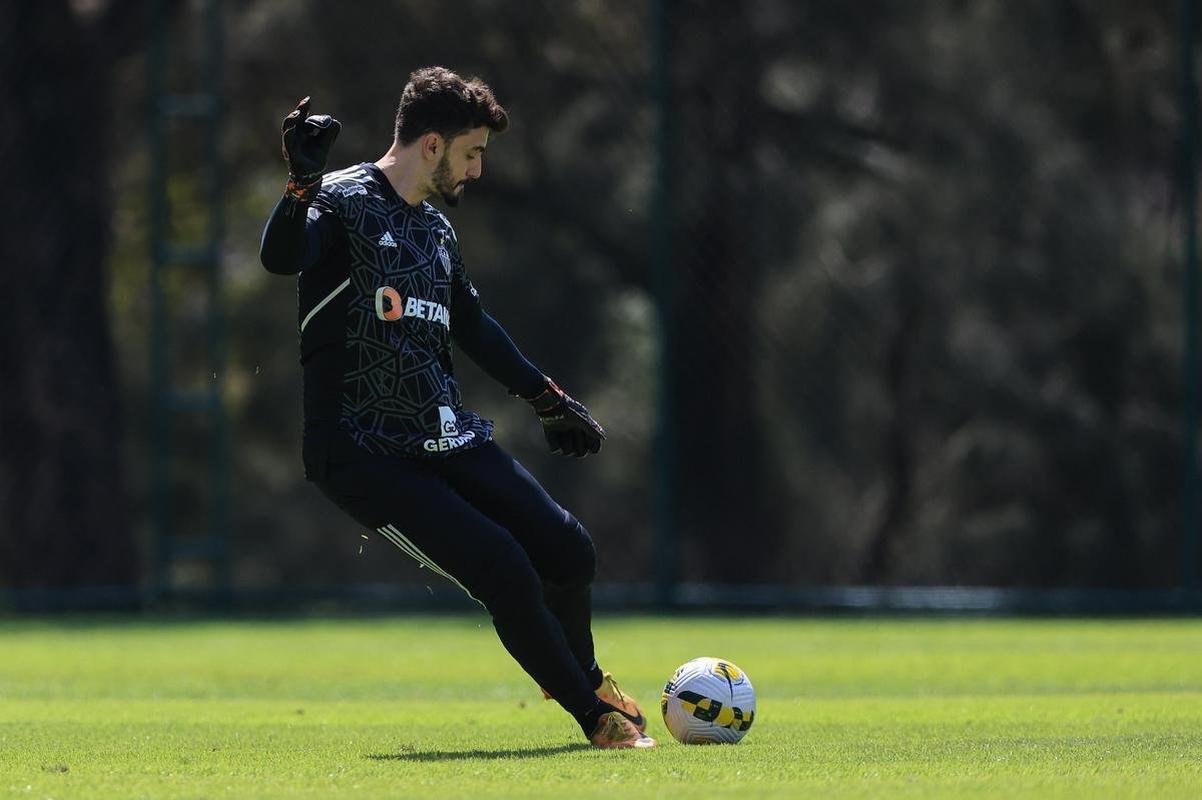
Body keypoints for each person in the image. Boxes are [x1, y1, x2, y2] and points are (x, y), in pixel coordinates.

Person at [258, 67, 654, 750]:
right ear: (434, 145)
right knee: (504, 567)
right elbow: (279, 256)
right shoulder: (344, 200)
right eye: (473, 153)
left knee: (568, 549)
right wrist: (300, 184)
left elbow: (473, 326)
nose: (477, 169)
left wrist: (545, 397)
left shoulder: (436, 231)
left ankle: (581, 676)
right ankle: (598, 720)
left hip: (445, 438)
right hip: (363, 451)